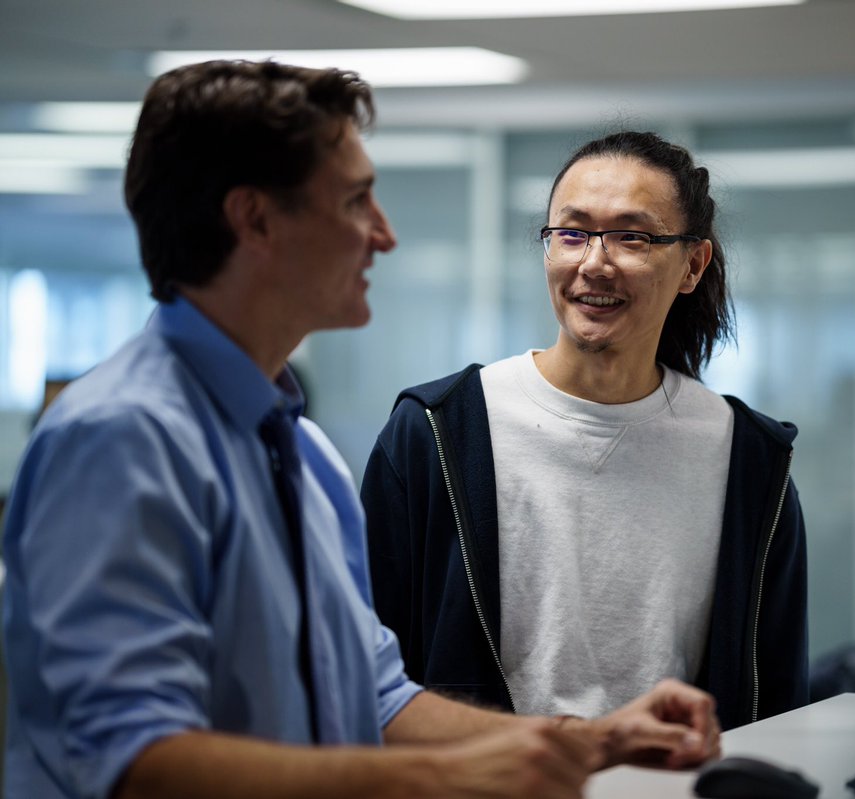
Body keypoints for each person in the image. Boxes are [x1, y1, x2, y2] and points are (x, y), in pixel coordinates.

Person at [1, 62, 720, 799]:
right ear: (255, 220)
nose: (383, 234)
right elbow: (130, 760)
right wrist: (444, 776)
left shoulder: (301, 454)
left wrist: (592, 741)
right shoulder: (121, 439)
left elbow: (375, 697)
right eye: (355, 200)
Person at [361, 131, 809, 732]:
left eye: (633, 237)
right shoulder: (435, 433)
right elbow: (366, 674)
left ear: (692, 266)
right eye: (572, 233)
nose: (594, 263)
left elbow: (774, 699)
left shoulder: (749, 460)